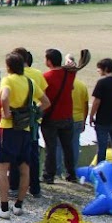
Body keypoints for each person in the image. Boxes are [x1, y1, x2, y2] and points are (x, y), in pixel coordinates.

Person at [0, 52, 50, 219]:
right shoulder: (30, 82)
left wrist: (7, 112)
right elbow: (46, 102)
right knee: (25, 168)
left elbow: (5, 96)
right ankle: (19, 205)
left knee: (2, 169)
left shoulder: (8, 80)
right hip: (25, 130)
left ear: (8, 67)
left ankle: (4, 208)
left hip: (8, 129)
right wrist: (33, 113)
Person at [40, 49, 78, 184]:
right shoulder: (70, 73)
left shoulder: (46, 76)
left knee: (51, 147)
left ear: (49, 61)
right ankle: (71, 174)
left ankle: (48, 176)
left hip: (51, 117)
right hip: (67, 116)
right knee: (68, 147)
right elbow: (71, 58)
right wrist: (68, 60)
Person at [89, 58, 112, 176]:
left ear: (106, 69)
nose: (98, 71)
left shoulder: (102, 82)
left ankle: (100, 172)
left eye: (100, 68)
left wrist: (91, 115)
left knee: (102, 147)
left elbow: (96, 101)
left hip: (103, 120)